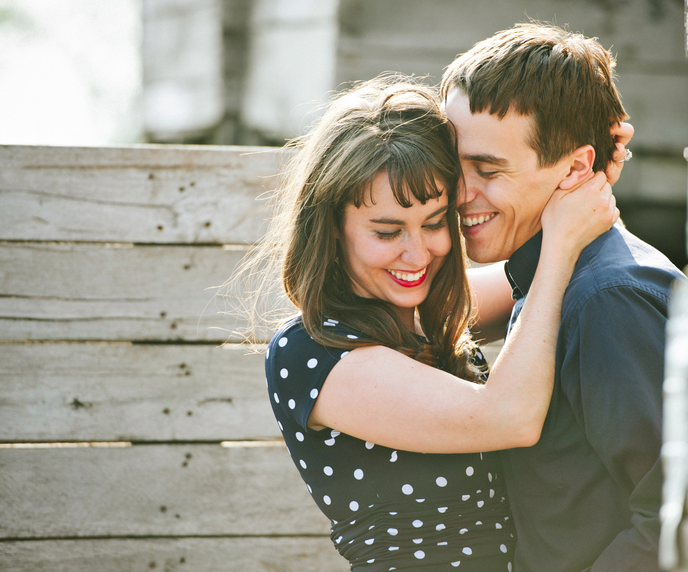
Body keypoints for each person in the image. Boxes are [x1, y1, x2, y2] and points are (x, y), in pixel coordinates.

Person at [253, 74, 622, 571]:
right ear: (330, 228)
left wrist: (579, 174)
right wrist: (560, 243)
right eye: (387, 232)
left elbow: (541, 282)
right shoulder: (311, 354)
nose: (417, 253)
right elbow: (509, 416)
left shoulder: (434, 316)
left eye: (434, 222)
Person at [440, 21, 686, 572]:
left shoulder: (608, 299)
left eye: (488, 169)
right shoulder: (551, 275)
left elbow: (673, 516)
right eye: (454, 165)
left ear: (576, 167)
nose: (460, 193)